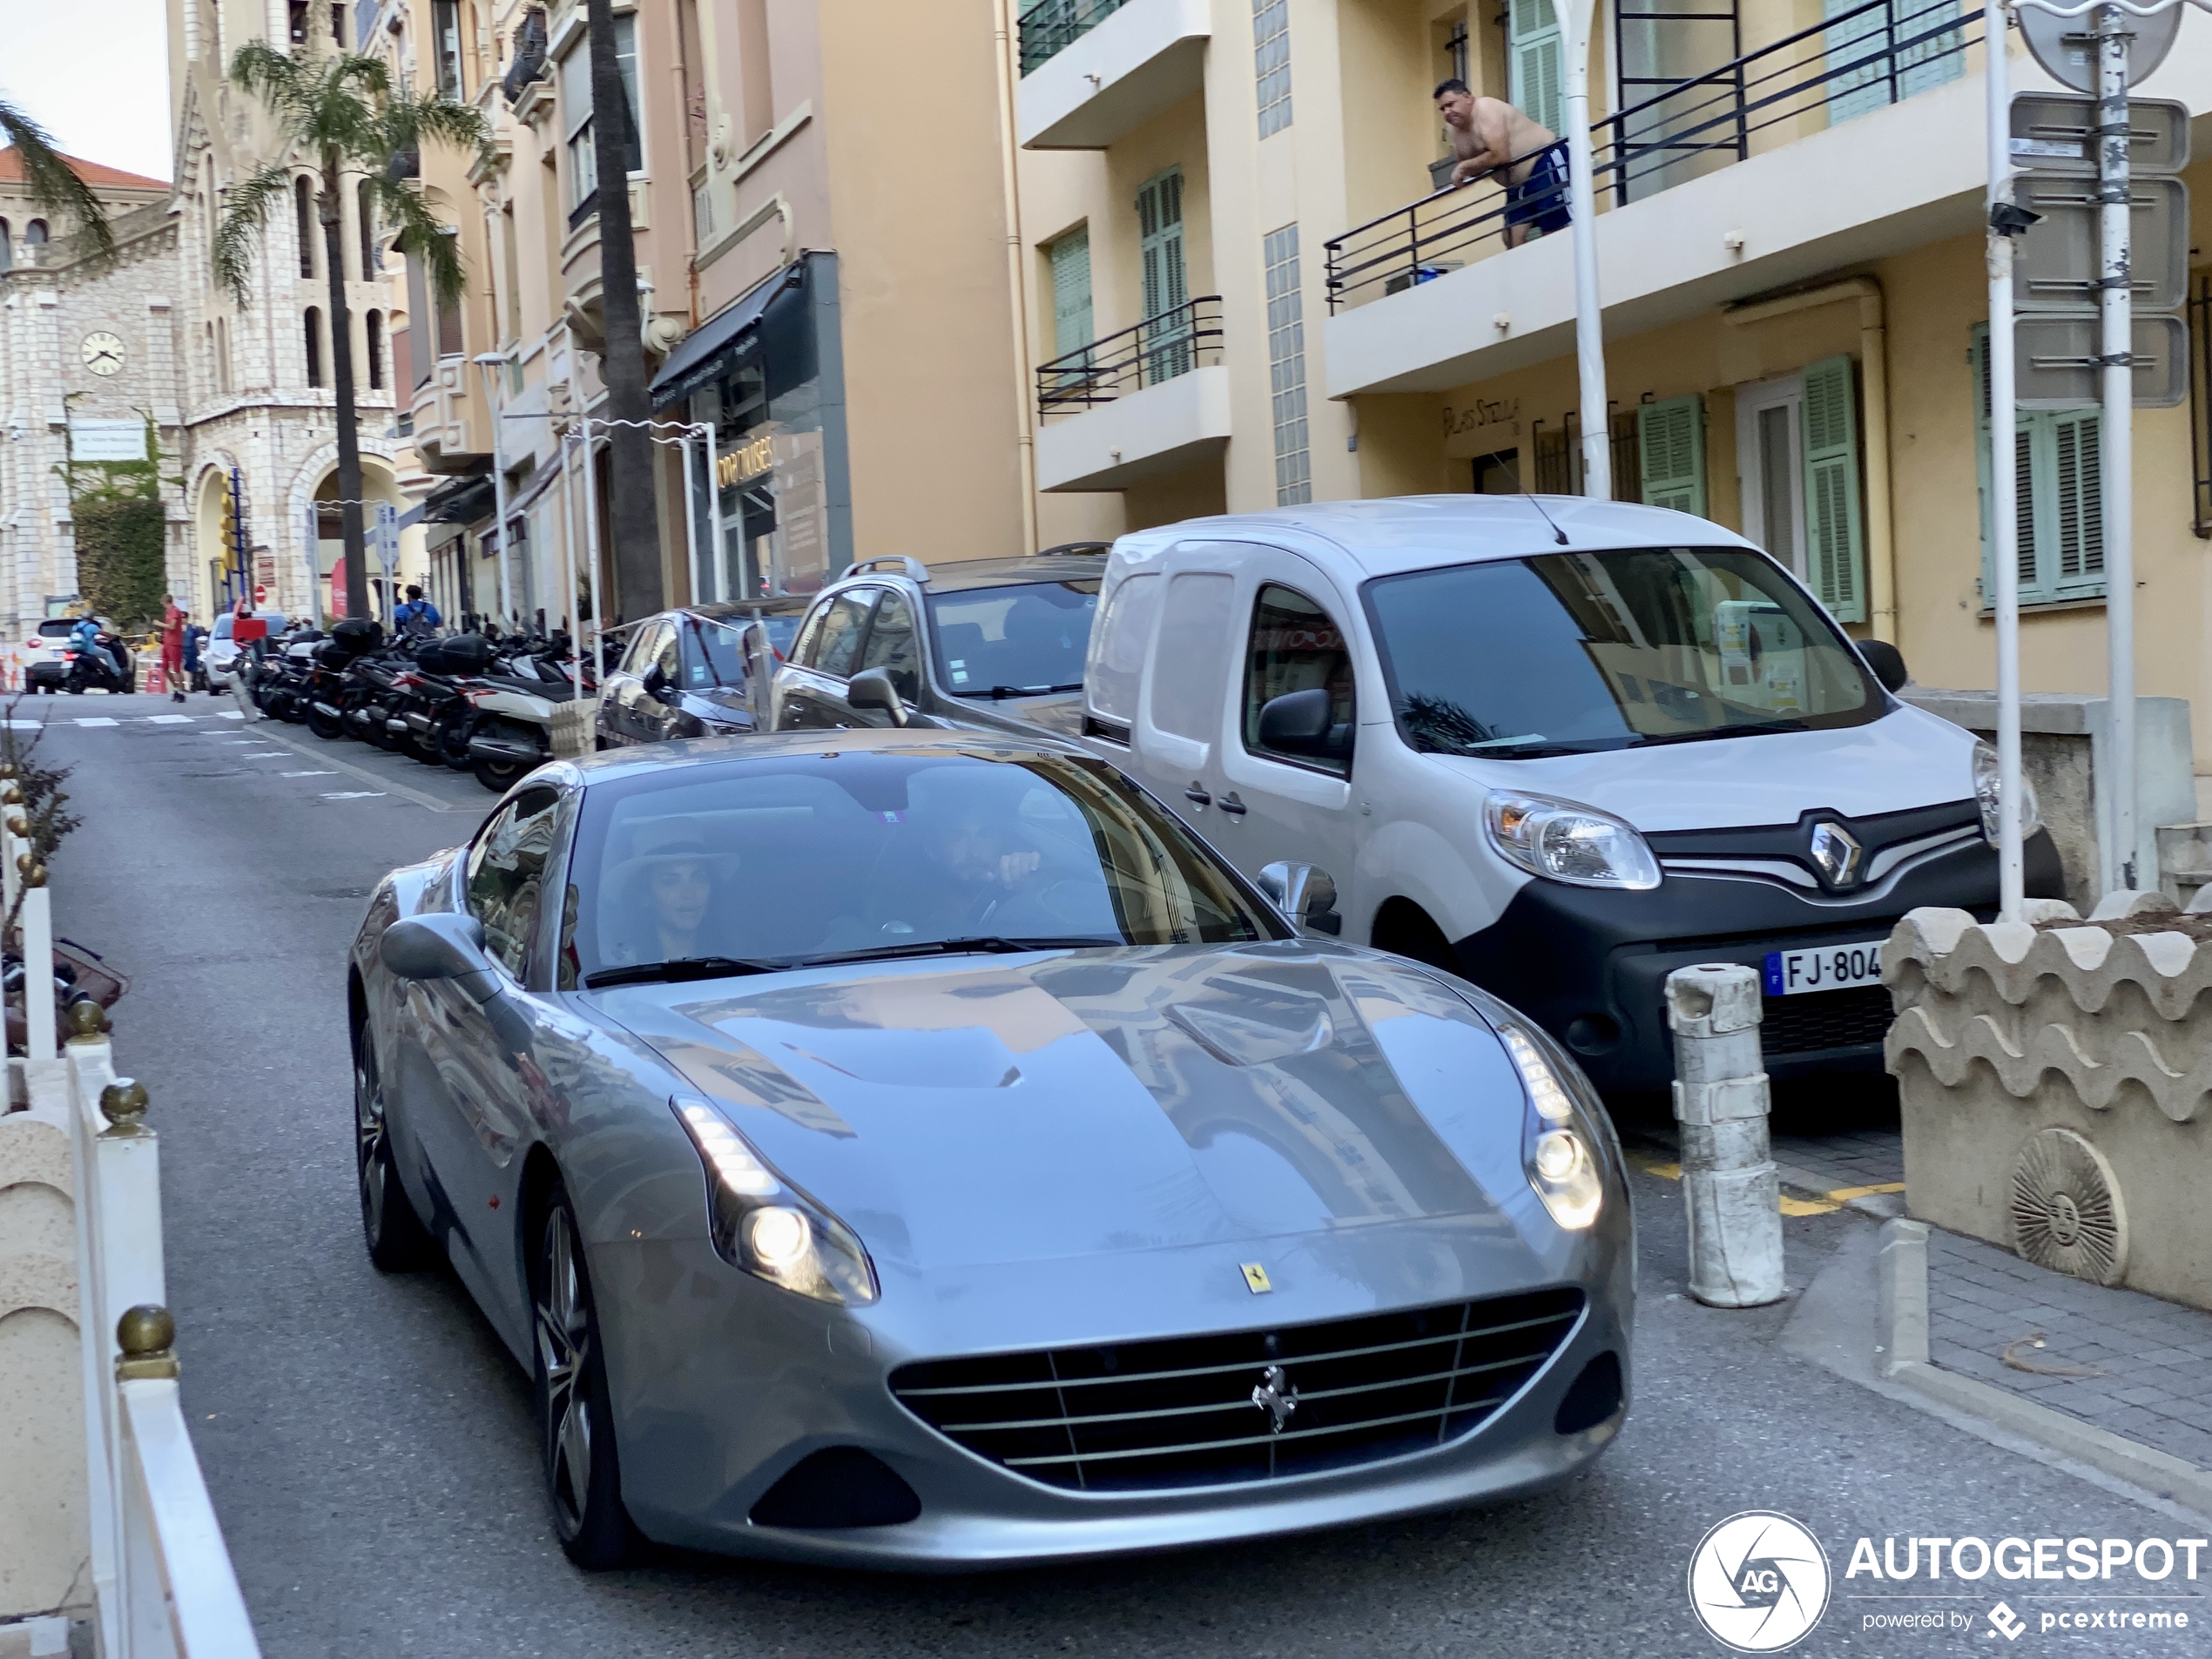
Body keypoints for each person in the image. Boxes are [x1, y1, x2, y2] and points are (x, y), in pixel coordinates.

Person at [1435, 78, 1568, 248]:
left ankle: (1561, 272)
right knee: (1511, 238)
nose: (1447, 112)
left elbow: (1500, 155)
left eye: (1451, 104)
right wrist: (1467, 167)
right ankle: (1528, 274)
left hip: (1544, 160)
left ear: (1468, 97)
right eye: (1442, 109)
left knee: (1552, 231)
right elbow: (1472, 169)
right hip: (1516, 184)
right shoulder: (1455, 132)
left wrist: (1464, 167)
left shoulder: (1485, 109)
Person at [159, 594, 185, 702]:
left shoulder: (175, 611)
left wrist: (159, 624)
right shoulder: (168, 612)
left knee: (176, 668)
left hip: (174, 643)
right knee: (164, 667)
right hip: (167, 642)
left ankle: (181, 691)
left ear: (166, 602)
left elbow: (172, 626)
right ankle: (176, 688)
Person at [182, 615, 209, 692]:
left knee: (192, 668)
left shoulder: (192, 628)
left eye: (183, 617)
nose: (182, 619)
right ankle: (184, 686)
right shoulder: (177, 628)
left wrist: (199, 649)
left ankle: (192, 686)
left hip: (191, 650)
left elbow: (196, 639)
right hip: (182, 650)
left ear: (187, 618)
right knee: (183, 668)